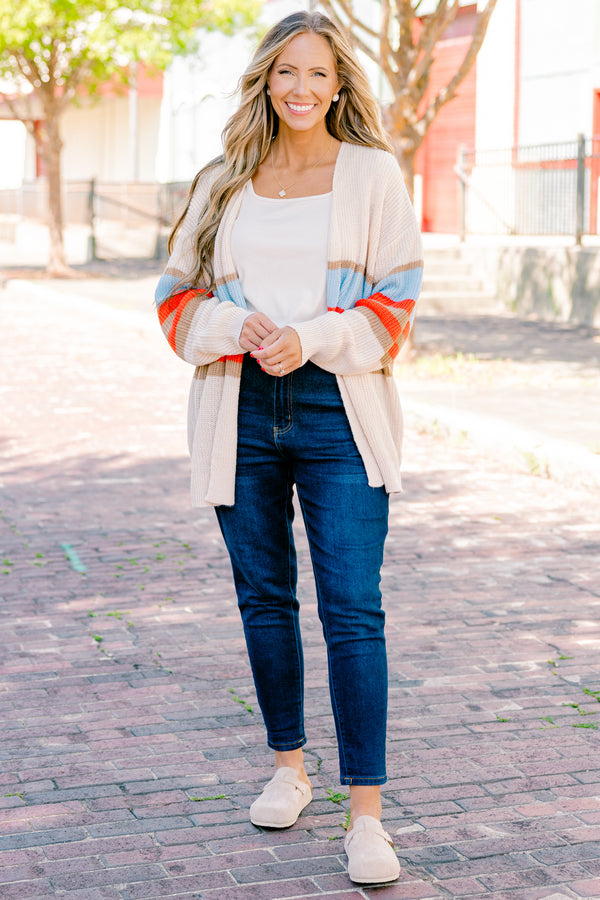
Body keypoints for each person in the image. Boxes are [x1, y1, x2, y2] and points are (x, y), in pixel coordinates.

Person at [155, 10, 423, 885]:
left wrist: (311, 337)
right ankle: (288, 768)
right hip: (237, 403)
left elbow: (398, 298)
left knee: (353, 608)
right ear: (265, 81)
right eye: (285, 72)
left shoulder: (371, 173)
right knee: (265, 598)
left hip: (338, 405)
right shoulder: (223, 179)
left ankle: (367, 816)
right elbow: (174, 297)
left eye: (316, 73)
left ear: (339, 85)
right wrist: (231, 324)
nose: (300, 88)